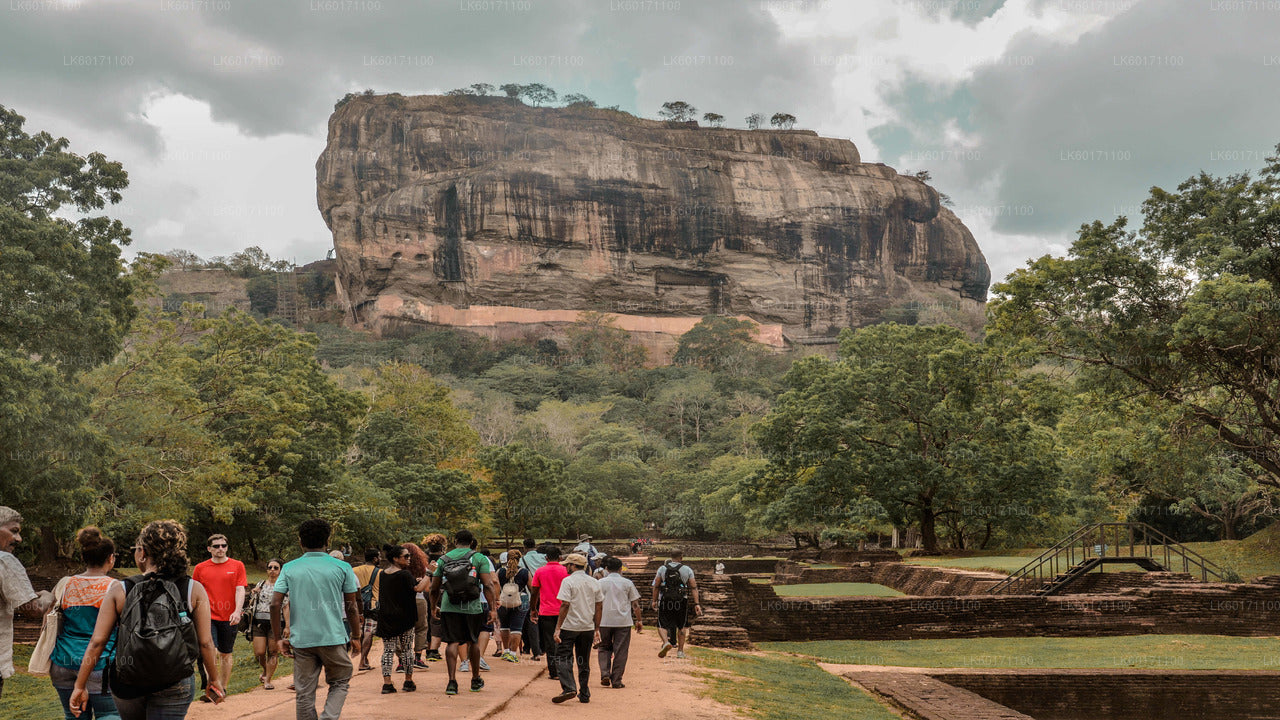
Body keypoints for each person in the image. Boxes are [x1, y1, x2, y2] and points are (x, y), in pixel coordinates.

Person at [70, 520, 224, 718]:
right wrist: (213, 679)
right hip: (176, 679)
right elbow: (205, 642)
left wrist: (80, 685)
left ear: (142, 553)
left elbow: (97, 642)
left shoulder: (120, 589)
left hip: (128, 681)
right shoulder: (193, 589)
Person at [272, 518, 362, 720]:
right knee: (339, 682)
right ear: (327, 541)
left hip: (302, 640)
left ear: (300, 541)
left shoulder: (289, 568)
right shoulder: (342, 567)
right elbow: (351, 606)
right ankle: (329, 717)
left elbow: (274, 603)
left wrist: (279, 638)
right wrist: (356, 635)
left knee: (304, 692)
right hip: (333, 637)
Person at [50, 527, 122, 719]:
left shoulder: (65, 583)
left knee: (73, 715)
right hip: (100, 665)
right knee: (109, 714)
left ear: (83, 558)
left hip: (63, 663)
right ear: (111, 558)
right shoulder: (115, 588)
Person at [428, 529, 498, 696]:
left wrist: (433, 607)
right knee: (473, 642)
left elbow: (434, 587)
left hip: (449, 606)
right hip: (472, 607)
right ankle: (475, 679)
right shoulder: (479, 558)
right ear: (472, 542)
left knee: (452, 642)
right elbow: (488, 585)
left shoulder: (443, 559)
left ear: (454, 541)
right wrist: (493, 609)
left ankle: (452, 682)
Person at [0, 506, 54, 700]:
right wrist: (48, 596)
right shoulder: (4, 560)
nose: (19, 539)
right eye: (13, 531)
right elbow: (33, 609)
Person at [191, 533, 247, 697]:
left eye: (223, 546)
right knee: (210, 651)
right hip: (207, 616)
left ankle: (223, 687)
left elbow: (240, 589)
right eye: (216, 546)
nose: (220, 549)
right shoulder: (200, 568)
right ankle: (212, 689)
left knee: (226, 653)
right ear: (209, 549)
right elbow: (195, 591)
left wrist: (237, 611)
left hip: (229, 617)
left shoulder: (237, 566)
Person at [375, 544, 428, 694]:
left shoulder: (384, 574)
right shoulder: (404, 575)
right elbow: (417, 589)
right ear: (396, 558)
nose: (409, 559)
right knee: (406, 650)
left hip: (386, 617)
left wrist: (416, 581)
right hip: (405, 617)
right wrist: (429, 573)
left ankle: (387, 683)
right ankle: (408, 680)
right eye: (406, 556)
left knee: (388, 651)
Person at [550, 553, 602, 704]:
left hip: (569, 626)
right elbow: (599, 606)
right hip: (587, 627)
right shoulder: (594, 582)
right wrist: (596, 628)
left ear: (573, 566)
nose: (566, 567)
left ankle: (569, 687)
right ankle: (584, 692)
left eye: (567, 565)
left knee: (562, 657)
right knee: (583, 660)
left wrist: (558, 627)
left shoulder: (568, 581)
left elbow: (565, 604)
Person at [596, 556, 642, 689]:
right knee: (621, 650)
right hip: (623, 621)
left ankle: (605, 673)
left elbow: (596, 604)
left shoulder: (600, 583)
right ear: (621, 568)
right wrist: (639, 620)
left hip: (604, 620)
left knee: (604, 647)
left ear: (606, 569)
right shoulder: (627, 583)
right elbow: (635, 604)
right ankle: (616, 679)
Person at [651, 549, 702, 660]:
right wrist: (697, 603)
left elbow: (656, 585)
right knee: (682, 625)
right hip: (681, 600)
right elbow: (693, 587)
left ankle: (665, 642)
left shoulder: (662, 568)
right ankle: (680, 651)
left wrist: (654, 600)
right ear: (681, 557)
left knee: (661, 624)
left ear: (671, 557)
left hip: (666, 599)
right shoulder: (687, 569)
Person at [528, 546, 568, 680]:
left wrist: (533, 609)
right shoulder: (566, 571)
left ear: (546, 558)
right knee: (564, 640)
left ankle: (553, 671)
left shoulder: (540, 571)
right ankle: (564, 669)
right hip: (564, 611)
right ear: (560, 557)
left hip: (546, 611)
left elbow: (534, 592)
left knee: (550, 641)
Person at [248, 559, 285, 690]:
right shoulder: (261, 584)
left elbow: (286, 607)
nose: (272, 570)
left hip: (276, 622)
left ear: (281, 570)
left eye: (276, 568)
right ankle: (265, 669)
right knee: (259, 653)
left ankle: (268, 679)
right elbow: (252, 604)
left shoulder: (283, 586)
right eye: (270, 567)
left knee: (273, 651)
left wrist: (287, 626)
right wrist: (253, 593)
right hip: (259, 622)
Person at [495, 550, 530, 663]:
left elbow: (494, 584)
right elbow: (532, 587)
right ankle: (513, 653)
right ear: (519, 558)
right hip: (521, 599)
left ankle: (505, 651)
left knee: (504, 626)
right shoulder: (524, 572)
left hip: (503, 600)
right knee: (517, 627)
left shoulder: (500, 571)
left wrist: (496, 599)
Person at [401, 543, 431, 671]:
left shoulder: (398, 568)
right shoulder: (423, 568)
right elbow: (427, 588)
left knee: (402, 629)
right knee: (421, 628)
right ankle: (417, 657)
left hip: (401, 602)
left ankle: (402, 661)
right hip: (419, 600)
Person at [350, 548, 381, 671]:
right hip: (373, 605)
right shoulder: (380, 572)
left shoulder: (353, 571)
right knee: (369, 632)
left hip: (357, 604)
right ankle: (363, 661)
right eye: (378, 556)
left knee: (360, 630)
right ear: (374, 559)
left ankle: (363, 659)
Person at [421, 534, 447, 663]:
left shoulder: (423, 560)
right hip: (439, 591)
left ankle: (425, 647)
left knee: (426, 620)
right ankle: (433, 651)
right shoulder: (444, 560)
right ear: (442, 547)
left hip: (424, 590)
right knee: (437, 619)